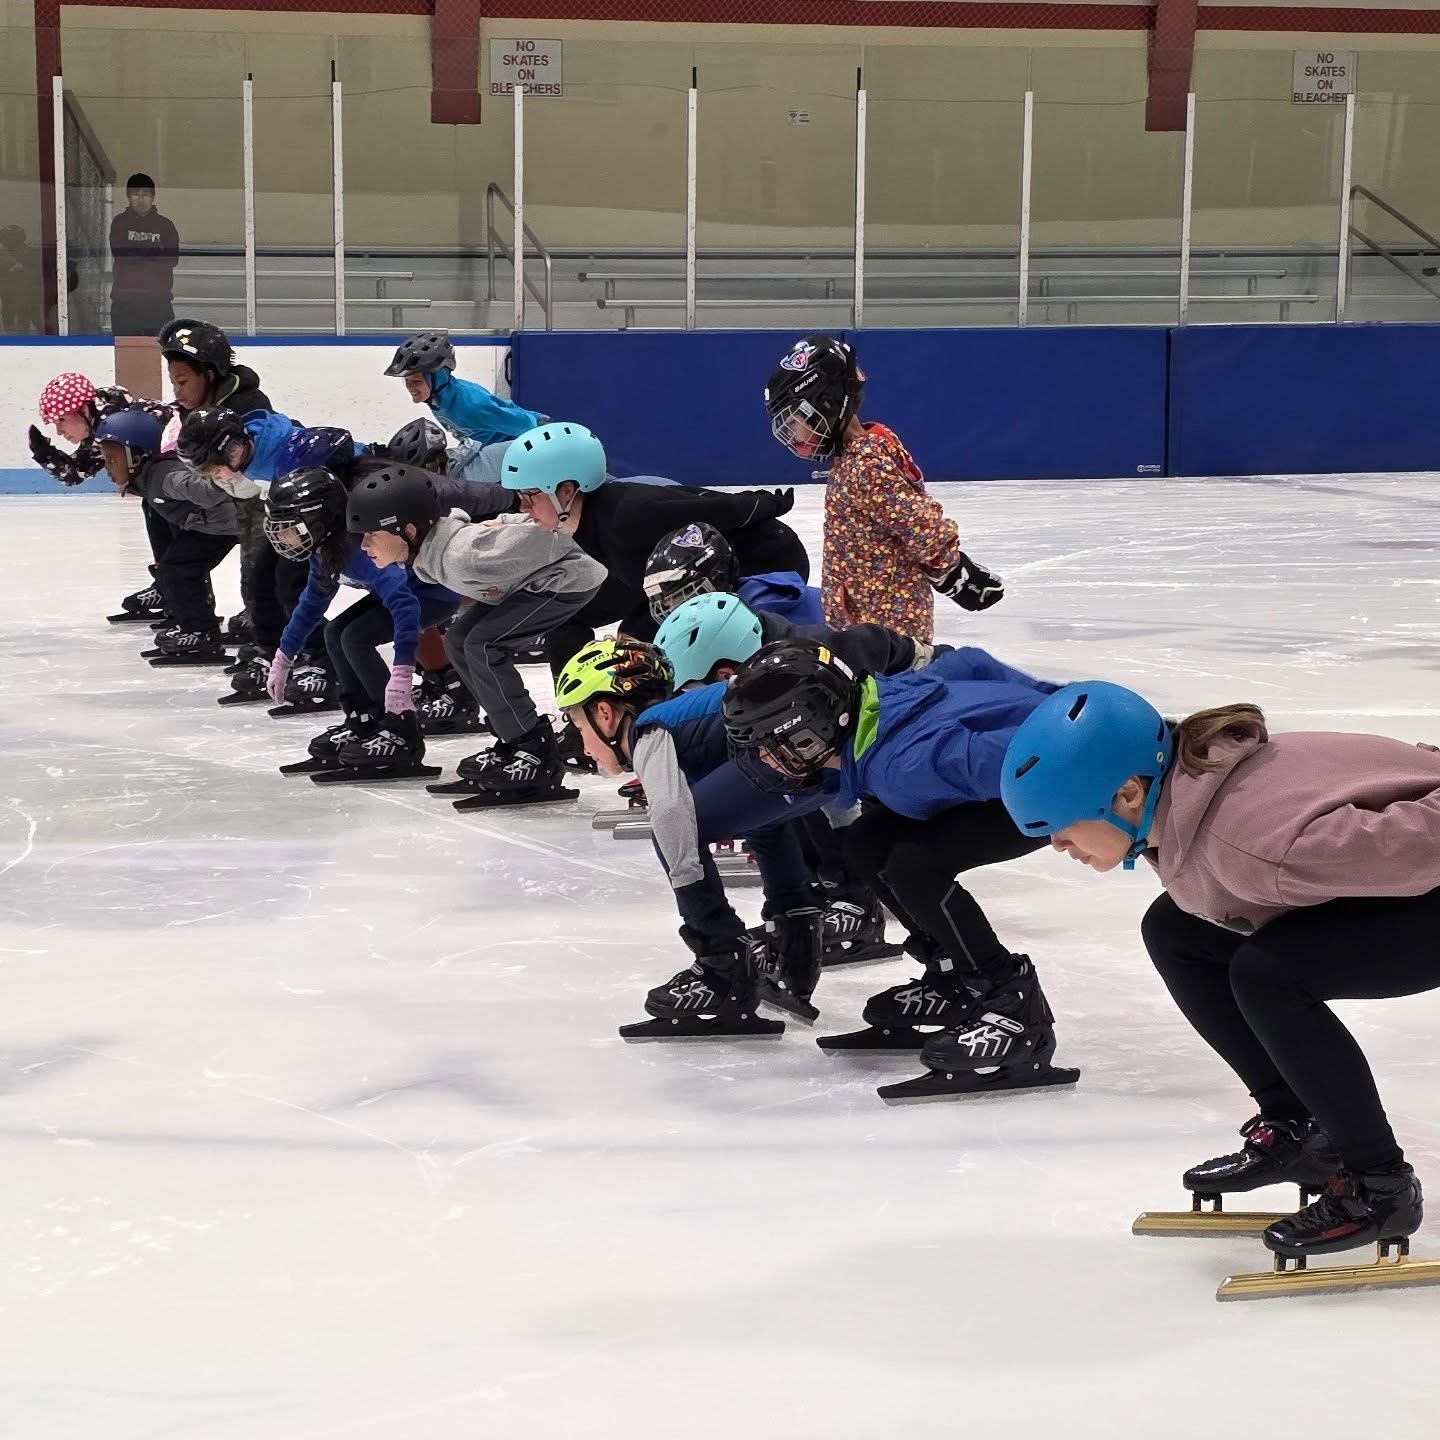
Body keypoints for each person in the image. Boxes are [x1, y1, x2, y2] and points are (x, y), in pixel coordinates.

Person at [1000, 682, 1440, 1262]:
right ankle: (1301, 1128)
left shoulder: (1261, 847)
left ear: (1128, 793)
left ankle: (1379, 1185)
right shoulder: (1192, 794)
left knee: (1271, 975)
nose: (1058, 846)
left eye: (1061, 826)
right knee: (1177, 929)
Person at [721, 638, 1079, 1101]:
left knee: (915, 866)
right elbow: (967, 663)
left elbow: (1023, 758)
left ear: (816, 728)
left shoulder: (906, 768)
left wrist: (1088, 729)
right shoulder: (881, 708)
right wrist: (1054, 697)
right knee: (866, 844)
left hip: (1046, 789)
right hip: (1012, 775)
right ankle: (954, 975)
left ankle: (1011, 1003)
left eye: (775, 746)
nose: (767, 761)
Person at [555, 639, 826, 1036]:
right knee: (759, 819)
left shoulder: (652, 728)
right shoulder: (697, 715)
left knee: (676, 828)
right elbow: (767, 819)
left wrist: (712, 928)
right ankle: (796, 941)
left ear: (605, 713)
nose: (581, 742)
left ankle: (721, 966)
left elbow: (670, 815)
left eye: (578, 725)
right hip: (824, 759)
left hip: (791, 752)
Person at [344, 464, 605, 807]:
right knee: (459, 639)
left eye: (372, 534)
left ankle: (534, 750)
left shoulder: (464, 559)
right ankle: (512, 740)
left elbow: (553, 532)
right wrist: (503, 524)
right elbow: (517, 529)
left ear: (407, 530)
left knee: (483, 645)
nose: (363, 545)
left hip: (567, 582)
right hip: (532, 583)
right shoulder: (437, 555)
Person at [764, 334, 1004, 643]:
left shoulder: (866, 463)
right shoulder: (855, 454)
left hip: (888, 627)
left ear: (827, 403)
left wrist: (954, 571)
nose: (795, 435)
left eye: (797, 421)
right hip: (860, 619)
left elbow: (917, 522)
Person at [264, 465, 460, 776]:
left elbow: (405, 605)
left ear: (320, 519)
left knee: (355, 637)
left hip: (434, 596)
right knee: (335, 632)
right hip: (406, 593)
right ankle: (362, 720)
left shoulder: (360, 548)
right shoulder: (326, 548)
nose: (285, 538)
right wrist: (283, 655)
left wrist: (401, 675)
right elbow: (312, 603)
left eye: (292, 528)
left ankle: (400, 729)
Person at [159, 319, 276, 650]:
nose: (177, 390)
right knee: (256, 575)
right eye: (173, 381)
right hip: (243, 498)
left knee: (259, 573)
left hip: (265, 498)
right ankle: (261, 625)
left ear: (209, 374)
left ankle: (268, 642)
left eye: (182, 381)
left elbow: (251, 477)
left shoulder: (245, 406)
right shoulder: (202, 409)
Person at [94, 410, 238, 662]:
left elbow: (205, 492)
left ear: (137, 457)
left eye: (113, 460)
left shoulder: (165, 476)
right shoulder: (148, 477)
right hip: (211, 525)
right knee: (175, 568)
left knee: (178, 568)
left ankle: (201, 633)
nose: (107, 469)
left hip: (222, 526)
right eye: (106, 460)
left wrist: (224, 474)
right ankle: (194, 627)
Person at [643, 523, 822, 628]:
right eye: (667, 601)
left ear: (718, 578)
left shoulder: (747, 626)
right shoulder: (758, 592)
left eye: (682, 597)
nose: (671, 608)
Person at [384, 331, 542, 447]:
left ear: (438, 378)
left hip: (532, 435)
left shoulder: (472, 405)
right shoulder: (438, 398)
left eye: (417, 381)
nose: (410, 387)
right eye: (407, 381)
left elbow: (528, 426)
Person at [108, 174, 179, 337]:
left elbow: (171, 260)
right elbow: (121, 255)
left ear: (153, 197)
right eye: (136, 194)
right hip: (124, 306)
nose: (141, 199)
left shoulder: (165, 225)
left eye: (146, 194)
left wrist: (136, 251)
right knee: (126, 358)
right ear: (128, 197)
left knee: (160, 358)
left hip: (158, 305)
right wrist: (153, 250)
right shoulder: (119, 223)